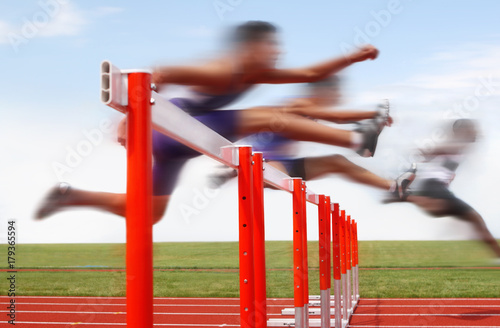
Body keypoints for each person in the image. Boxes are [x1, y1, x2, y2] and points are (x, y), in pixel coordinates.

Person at [35, 21, 382, 223]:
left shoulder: (255, 73)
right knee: (275, 118)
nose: (277, 54)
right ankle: (356, 141)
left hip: (181, 143)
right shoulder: (224, 69)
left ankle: (70, 196)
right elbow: (163, 72)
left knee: (150, 213)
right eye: (271, 47)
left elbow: (310, 72)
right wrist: (130, 115)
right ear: (249, 47)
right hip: (172, 128)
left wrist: (354, 56)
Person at [210, 76, 416, 198]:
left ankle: (393, 186)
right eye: (334, 94)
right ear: (321, 91)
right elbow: (336, 117)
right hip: (263, 163)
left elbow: (337, 119)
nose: (336, 99)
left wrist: (372, 119)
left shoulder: (309, 109)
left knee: (337, 162)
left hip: (285, 163)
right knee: (276, 174)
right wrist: (373, 114)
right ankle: (234, 171)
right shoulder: (298, 103)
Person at [391, 119, 500, 258]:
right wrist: (427, 152)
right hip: (433, 185)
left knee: (472, 219)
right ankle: (405, 196)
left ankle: (406, 196)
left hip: (437, 186)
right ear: (462, 131)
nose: (475, 133)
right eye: (471, 130)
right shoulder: (456, 144)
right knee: (470, 218)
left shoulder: (460, 147)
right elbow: (434, 151)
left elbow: (435, 158)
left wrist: (446, 171)